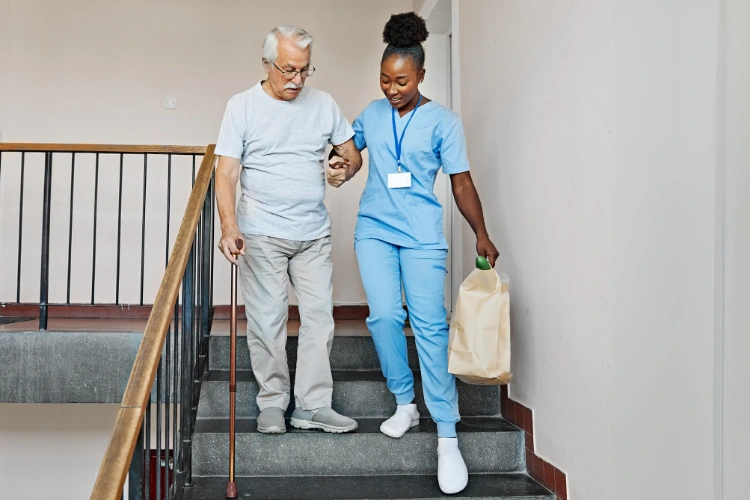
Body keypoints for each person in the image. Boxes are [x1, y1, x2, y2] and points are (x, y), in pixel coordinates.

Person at [327, 12, 499, 494]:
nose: (391, 88)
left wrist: (481, 232)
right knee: (383, 316)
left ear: (422, 76)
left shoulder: (444, 122)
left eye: (401, 80)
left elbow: (461, 182)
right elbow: (353, 150)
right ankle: (405, 402)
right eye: (384, 79)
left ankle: (447, 436)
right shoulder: (372, 113)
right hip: (375, 229)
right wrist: (341, 165)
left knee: (429, 326)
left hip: (423, 235)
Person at [215, 25, 362, 435]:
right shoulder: (242, 106)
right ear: (267, 64)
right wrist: (230, 226)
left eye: (305, 70)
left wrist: (342, 170)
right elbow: (225, 173)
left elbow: (351, 155)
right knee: (267, 321)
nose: (298, 80)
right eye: (289, 70)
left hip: (312, 232)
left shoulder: (324, 104)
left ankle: (312, 406)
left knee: (319, 318)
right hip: (261, 231)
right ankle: (273, 403)